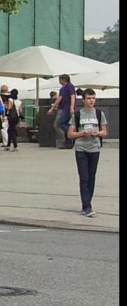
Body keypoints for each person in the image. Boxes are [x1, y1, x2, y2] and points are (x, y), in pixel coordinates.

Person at [66, 89, 107, 217]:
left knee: (91, 177)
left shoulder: (99, 114)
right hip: (81, 148)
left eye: (93, 98)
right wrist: (82, 133)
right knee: (84, 177)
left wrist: (98, 133)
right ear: (83, 100)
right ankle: (87, 206)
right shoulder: (77, 115)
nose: (91, 101)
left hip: (95, 148)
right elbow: (70, 134)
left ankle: (87, 202)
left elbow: (104, 132)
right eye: (89, 98)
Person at [49, 73, 77, 149]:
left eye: (60, 79)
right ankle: (68, 142)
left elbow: (72, 97)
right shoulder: (63, 88)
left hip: (66, 108)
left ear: (63, 79)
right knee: (65, 124)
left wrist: (71, 107)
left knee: (60, 124)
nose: (59, 81)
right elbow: (59, 98)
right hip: (63, 107)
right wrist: (53, 107)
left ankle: (72, 134)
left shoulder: (69, 86)